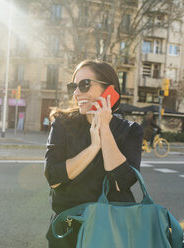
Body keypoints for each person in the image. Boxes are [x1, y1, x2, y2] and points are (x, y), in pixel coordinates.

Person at [44, 60, 143, 247]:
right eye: (74, 86)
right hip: (67, 233)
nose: (76, 93)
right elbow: (53, 178)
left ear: (109, 90)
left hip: (112, 232)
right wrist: (93, 147)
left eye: (84, 85)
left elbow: (122, 183)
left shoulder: (130, 131)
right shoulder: (62, 123)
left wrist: (104, 130)